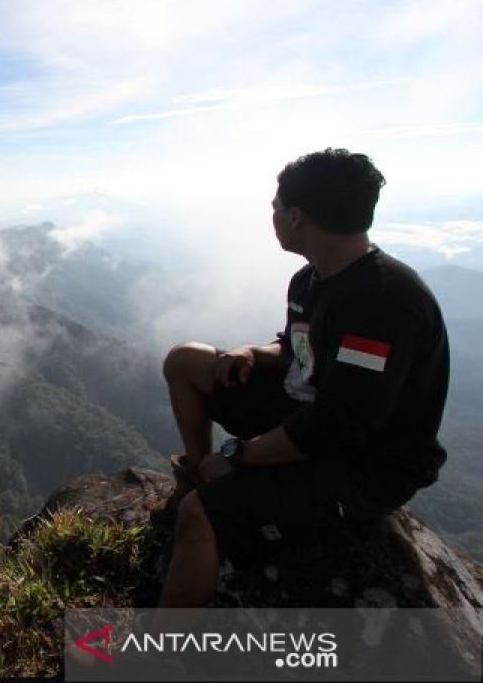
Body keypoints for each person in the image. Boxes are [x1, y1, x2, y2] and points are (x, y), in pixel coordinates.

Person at [151, 148, 450, 608]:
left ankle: (161, 655)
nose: (271, 215)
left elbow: (342, 423)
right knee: (186, 362)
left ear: (295, 217)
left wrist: (240, 455)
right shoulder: (313, 279)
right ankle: (199, 472)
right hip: (309, 409)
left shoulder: (382, 302)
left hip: (363, 463)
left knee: (198, 518)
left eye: (275, 207)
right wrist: (253, 352)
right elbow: (299, 350)